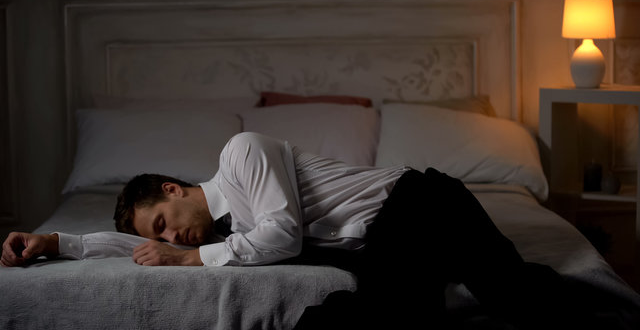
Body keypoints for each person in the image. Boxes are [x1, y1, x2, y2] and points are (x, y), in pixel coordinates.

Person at [0, 132, 631, 329]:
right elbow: (138, 249)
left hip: (420, 203)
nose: (171, 241)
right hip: (383, 246)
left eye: (164, 225)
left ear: (172, 188)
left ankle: (615, 306)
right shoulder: (220, 228)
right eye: (162, 239)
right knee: (391, 310)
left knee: (508, 293)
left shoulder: (241, 153)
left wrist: (196, 264)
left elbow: (282, 237)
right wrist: (59, 243)